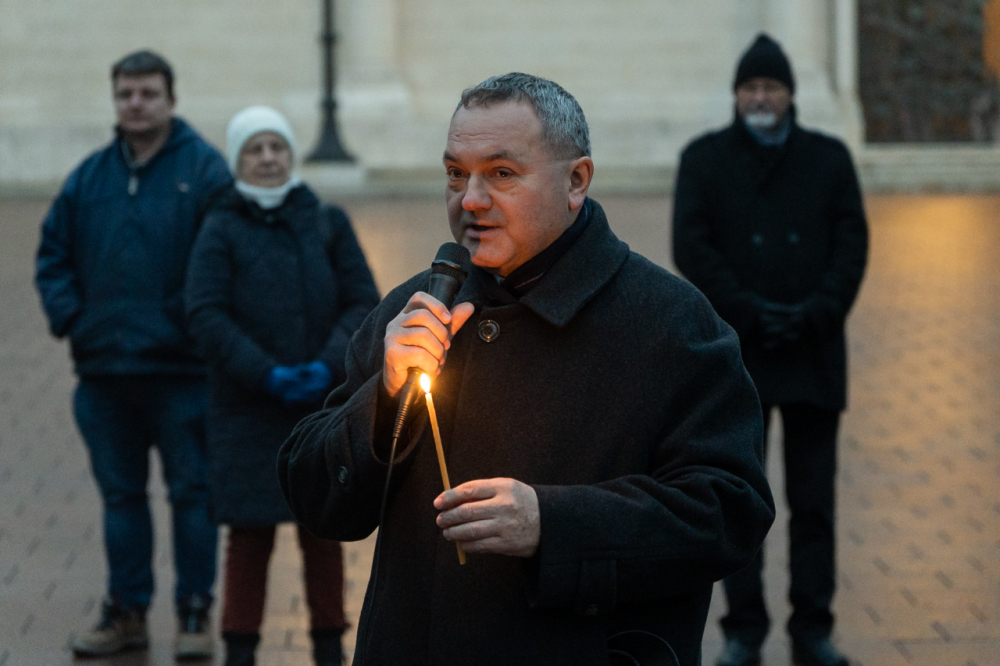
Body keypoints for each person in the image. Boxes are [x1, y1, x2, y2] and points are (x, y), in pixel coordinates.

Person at [277, 72, 775, 666]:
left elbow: (730, 510)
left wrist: (553, 524)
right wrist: (382, 400)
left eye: (501, 174)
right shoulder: (417, 307)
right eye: (456, 173)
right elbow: (313, 493)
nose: (470, 199)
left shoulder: (670, 321)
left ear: (576, 181)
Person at [672, 34, 868, 666]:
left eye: (772, 87)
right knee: (738, 500)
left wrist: (816, 312)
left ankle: (812, 629)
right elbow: (692, 247)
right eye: (751, 88)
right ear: (736, 95)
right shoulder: (704, 160)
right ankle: (744, 629)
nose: (761, 98)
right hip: (740, 355)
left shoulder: (829, 159)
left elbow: (852, 245)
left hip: (813, 351)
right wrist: (751, 312)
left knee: (814, 504)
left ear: (790, 94)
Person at [34, 50, 232, 658]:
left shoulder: (205, 173)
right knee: (121, 500)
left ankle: (195, 614)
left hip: (183, 375)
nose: (136, 103)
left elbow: (222, 262)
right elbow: (52, 256)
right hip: (104, 375)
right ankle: (127, 613)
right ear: (115, 99)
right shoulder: (88, 178)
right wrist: (76, 320)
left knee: (192, 497)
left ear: (171, 99)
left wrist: (187, 326)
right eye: (126, 93)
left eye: (147, 92)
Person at [184, 106, 380, 666]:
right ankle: (240, 650)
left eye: (277, 147)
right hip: (246, 411)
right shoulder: (219, 227)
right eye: (255, 149)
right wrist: (264, 373)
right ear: (237, 160)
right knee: (248, 538)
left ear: (291, 155)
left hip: (320, 405)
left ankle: (329, 648)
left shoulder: (326, 221)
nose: (268, 158)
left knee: (323, 531)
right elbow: (205, 313)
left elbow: (362, 302)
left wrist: (326, 366)